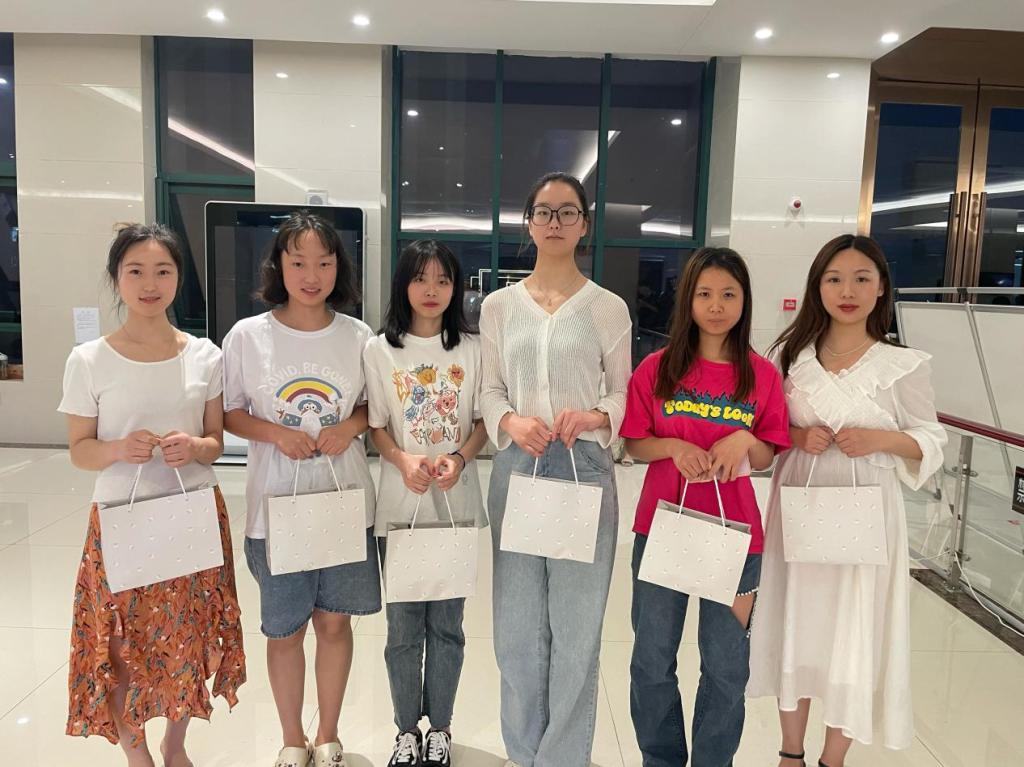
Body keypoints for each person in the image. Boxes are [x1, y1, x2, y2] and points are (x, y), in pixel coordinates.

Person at [747, 234, 947, 767]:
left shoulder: (903, 364)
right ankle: (790, 753)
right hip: (801, 502)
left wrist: (881, 439)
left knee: (852, 630)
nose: (848, 291)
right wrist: (796, 434)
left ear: (881, 287)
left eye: (862, 279)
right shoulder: (790, 357)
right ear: (818, 287)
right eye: (834, 279)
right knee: (797, 620)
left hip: (868, 513)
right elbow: (765, 431)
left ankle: (831, 759)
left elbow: (931, 440)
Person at [60, 223, 245, 767]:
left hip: (192, 513)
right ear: (117, 278)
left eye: (162, 271)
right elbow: (79, 450)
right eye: (135, 271)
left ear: (178, 278)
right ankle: (137, 757)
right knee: (120, 647)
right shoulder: (89, 360)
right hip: (121, 519)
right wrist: (119, 448)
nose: (149, 284)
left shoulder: (205, 355)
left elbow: (215, 441)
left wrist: (196, 446)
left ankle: (175, 746)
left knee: (188, 638)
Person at [480, 171, 632, 767]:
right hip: (520, 465)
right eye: (543, 212)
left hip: (582, 468)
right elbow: (489, 389)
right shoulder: (499, 307)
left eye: (568, 212)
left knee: (576, 627)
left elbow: (623, 394)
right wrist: (511, 422)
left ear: (584, 224)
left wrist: (595, 415)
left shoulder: (608, 309)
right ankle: (524, 754)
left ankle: (564, 757)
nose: (554, 222)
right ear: (528, 223)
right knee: (517, 628)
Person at [621, 246, 790, 767]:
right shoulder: (656, 369)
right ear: (688, 301)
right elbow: (634, 443)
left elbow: (768, 454)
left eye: (729, 294)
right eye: (705, 294)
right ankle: (661, 758)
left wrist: (745, 438)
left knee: (726, 667)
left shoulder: (762, 376)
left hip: (737, 541)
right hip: (663, 529)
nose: (716, 306)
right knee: (652, 660)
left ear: (744, 301)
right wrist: (673, 447)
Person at [222, 210, 380, 767]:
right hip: (276, 509)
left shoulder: (359, 337)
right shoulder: (248, 336)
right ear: (278, 267)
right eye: (298, 263)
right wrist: (276, 433)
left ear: (340, 267)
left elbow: (373, 408)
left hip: (344, 503)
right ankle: (293, 738)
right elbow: (229, 413)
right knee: (285, 629)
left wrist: (350, 427)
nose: (312, 275)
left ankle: (328, 733)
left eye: (324, 262)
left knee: (335, 621)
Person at [364, 239, 490, 767]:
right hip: (400, 509)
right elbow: (376, 427)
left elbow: (483, 422)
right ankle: (404, 731)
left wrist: (458, 458)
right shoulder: (379, 350)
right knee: (402, 631)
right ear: (404, 285)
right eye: (421, 278)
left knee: (447, 628)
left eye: (443, 279)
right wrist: (402, 460)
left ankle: (440, 728)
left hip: (456, 508)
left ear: (456, 288)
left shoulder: (472, 349)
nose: (432, 289)